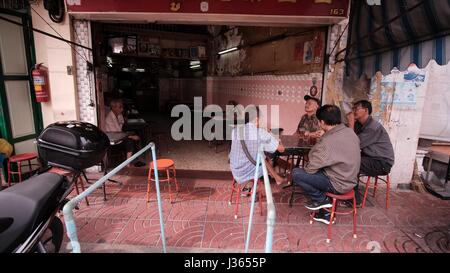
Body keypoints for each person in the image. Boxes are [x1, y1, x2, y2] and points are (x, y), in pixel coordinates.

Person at [292, 105, 361, 224]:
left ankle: (322, 200)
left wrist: (323, 139)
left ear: (322, 122)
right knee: (318, 170)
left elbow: (311, 167)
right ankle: (325, 210)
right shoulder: (350, 132)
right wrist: (325, 135)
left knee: (297, 173)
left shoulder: (328, 141)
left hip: (338, 184)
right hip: (351, 181)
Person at [229, 105, 287, 196]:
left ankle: (275, 178)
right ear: (257, 119)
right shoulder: (260, 133)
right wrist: (276, 139)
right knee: (262, 158)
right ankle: (253, 185)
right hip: (248, 170)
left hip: (235, 169)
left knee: (260, 155)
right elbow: (281, 149)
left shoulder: (235, 131)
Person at [347, 100, 395, 205]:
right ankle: (347, 192)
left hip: (382, 162)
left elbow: (353, 144)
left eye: (357, 108)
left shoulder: (373, 127)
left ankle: (354, 200)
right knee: (347, 159)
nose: (354, 111)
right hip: (371, 157)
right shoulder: (360, 125)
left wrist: (351, 124)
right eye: (353, 108)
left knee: (351, 164)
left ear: (366, 110)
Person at [105, 98, 146, 167]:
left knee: (135, 135)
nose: (122, 109)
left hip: (119, 136)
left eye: (122, 107)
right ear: (113, 108)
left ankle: (135, 160)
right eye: (120, 107)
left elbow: (122, 124)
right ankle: (128, 163)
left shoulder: (119, 115)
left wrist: (131, 134)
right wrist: (132, 136)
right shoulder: (109, 118)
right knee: (130, 141)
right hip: (114, 140)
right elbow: (118, 134)